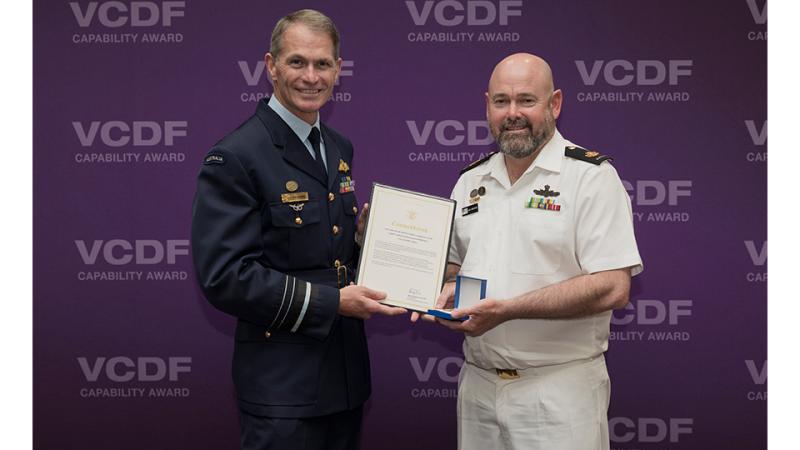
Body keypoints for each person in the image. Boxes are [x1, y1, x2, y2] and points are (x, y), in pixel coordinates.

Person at [191, 9, 404, 450]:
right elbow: (225, 277)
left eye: (322, 64)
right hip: (281, 391)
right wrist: (333, 303)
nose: (311, 76)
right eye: (297, 62)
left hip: (344, 383)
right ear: (270, 66)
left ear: (338, 70)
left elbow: (329, 256)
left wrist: (365, 241)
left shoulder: (338, 146)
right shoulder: (236, 155)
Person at [415, 53, 643, 450]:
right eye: (501, 101)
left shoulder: (590, 178)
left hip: (558, 390)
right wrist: (446, 290)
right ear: (487, 104)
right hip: (479, 386)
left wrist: (508, 310)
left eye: (526, 100)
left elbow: (612, 287)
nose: (513, 113)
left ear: (554, 103)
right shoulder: (471, 181)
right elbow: (453, 267)